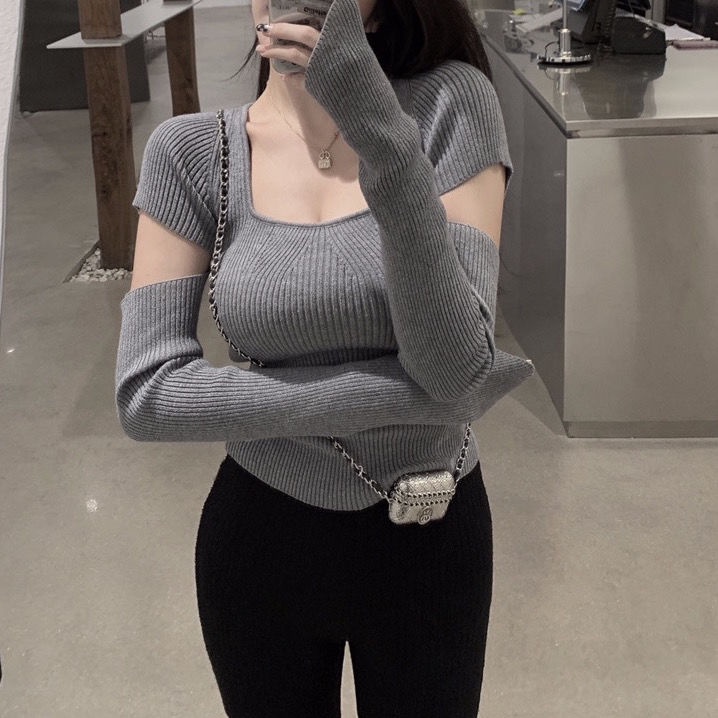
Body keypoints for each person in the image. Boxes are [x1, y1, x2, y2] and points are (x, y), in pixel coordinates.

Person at [115, 0, 533, 715]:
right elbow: (148, 395)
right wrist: (393, 400)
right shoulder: (194, 152)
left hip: (430, 540)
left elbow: (453, 365)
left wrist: (384, 140)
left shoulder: (450, 106)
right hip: (261, 538)